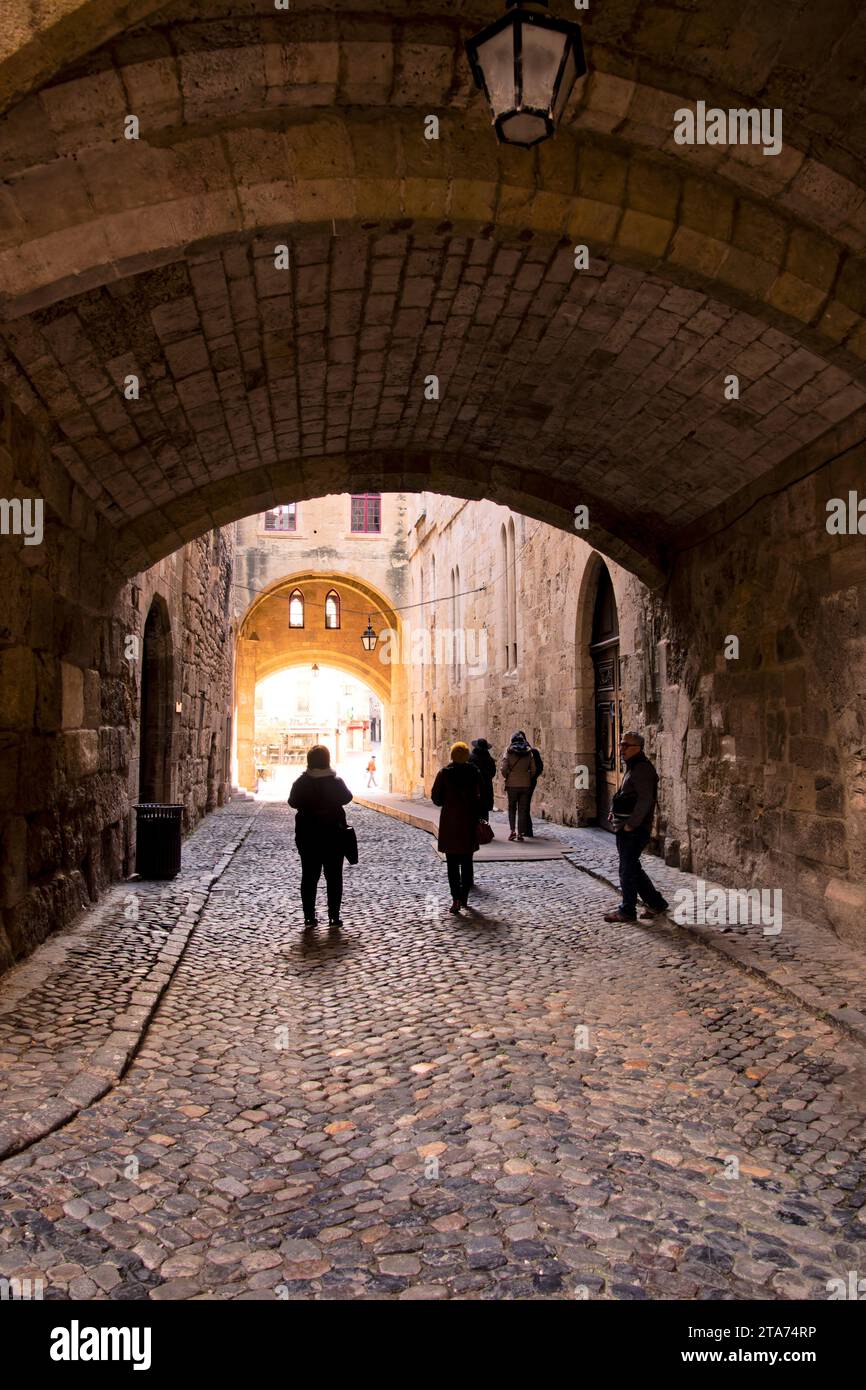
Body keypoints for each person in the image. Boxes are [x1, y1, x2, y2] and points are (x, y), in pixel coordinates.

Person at [603, 731, 669, 924]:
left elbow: (645, 800)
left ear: (637, 748)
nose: (621, 748)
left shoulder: (642, 769)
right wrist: (613, 811)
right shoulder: (633, 767)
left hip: (634, 829)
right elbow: (626, 794)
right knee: (633, 867)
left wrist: (632, 824)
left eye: (625, 745)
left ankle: (627, 910)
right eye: (621, 744)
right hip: (625, 825)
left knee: (627, 869)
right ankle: (656, 903)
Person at [288, 744, 353, 931]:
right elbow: (347, 797)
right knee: (334, 877)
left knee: (309, 877)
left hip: (308, 837)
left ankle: (309, 917)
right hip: (333, 836)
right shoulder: (336, 782)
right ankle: (334, 917)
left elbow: (292, 802)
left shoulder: (301, 783)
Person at [431, 742, 482, 914]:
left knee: (452, 864)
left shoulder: (445, 773)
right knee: (467, 862)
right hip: (468, 821)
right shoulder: (474, 772)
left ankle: (455, 899)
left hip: (450, 823)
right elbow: (480, 795)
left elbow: (436, 798)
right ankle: (464, 896)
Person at [499, 732, 537, 842]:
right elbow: (533, 769)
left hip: (511, 784)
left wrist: (509, 776)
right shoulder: (529, 752)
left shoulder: (509, 751)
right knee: (522, 809)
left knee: (512, 808)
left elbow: (503, 769)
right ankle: (520, 833)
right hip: (526, 784)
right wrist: (526, 776)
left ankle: (512, 831)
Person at [517, 730, 543, 837]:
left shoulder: (517, 753)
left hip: (521, 783)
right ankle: (526, 829)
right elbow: (539, 768)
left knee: (522, 805)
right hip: (530, 782)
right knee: (525, 805)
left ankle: (525, 830)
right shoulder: (533, 752)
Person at [469, 738, 496, 823]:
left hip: (475, 788)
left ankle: (475, 831)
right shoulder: (490, 759)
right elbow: (493, 772)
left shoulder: (471, 758)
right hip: (486, 787)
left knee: (474, 810)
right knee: (484, 811)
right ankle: (484, 831)